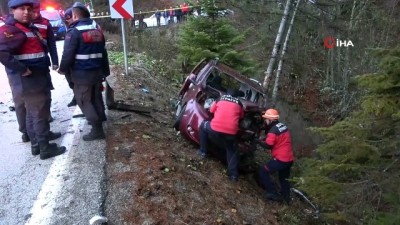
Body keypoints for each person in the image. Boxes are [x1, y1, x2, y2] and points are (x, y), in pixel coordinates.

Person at [0, 0, 65, 159]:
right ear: (12, 10)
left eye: (29, 9)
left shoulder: (28, 27)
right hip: (31, 79)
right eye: (22, 9)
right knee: (39, 113)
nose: (27, 12)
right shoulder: (11, 29)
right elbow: (2, 53)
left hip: (38, 76)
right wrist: (22, 69)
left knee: (31, 113)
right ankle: (45, 147)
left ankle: (36, 145)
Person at [59, 2, 110, 141]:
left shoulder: (74, 31)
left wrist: (62, 69)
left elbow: (67, 54)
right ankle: (101, 117)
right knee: (95, 97)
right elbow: (104, 52)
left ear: (75, 15)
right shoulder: (97, 29)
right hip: (97, 72)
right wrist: (106, 71)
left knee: (84, 101)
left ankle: (97, 130)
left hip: (82, 75)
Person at [198, 89, 244, 182]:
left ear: (227, 94)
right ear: (236, 96)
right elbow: (241, 117)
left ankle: (203, 151)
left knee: (203, 126)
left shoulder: (220, 99)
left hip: (215, 128)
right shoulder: (239, 104)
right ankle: (233, 176)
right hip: (231, 133)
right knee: (231, 150)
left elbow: (211, 110)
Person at [258, 109, 294, 204]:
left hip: (281, 160)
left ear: (270, 120)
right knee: (284, 179)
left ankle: (272, 193)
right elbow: (278, 139)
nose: (265, 121)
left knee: (263, 171)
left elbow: (268, 145)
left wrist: (258, 141)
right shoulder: (282, 126)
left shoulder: (272, 131)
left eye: (266, 119)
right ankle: (286, 199)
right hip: (289, 159)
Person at [31, 1, 58, 122]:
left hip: (42, 63)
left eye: (37, 10)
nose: (35, 13)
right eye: (33, 10)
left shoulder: (45, 23)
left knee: (46, 92)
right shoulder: (20, 24)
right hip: (24, 67)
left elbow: (52, 44)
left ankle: (46, 115)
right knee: (25, 99)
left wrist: (55, 61)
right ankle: (27, 129)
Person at [62, 8, 77, 107]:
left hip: (77, 61)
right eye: (66, 19)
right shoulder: (70, 27)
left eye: (69, 18)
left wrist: (63, 67)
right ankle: (76, 96)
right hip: (72, 60)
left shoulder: (75, 29)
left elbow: (69, 51)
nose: (67, 21)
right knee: (70, 79)